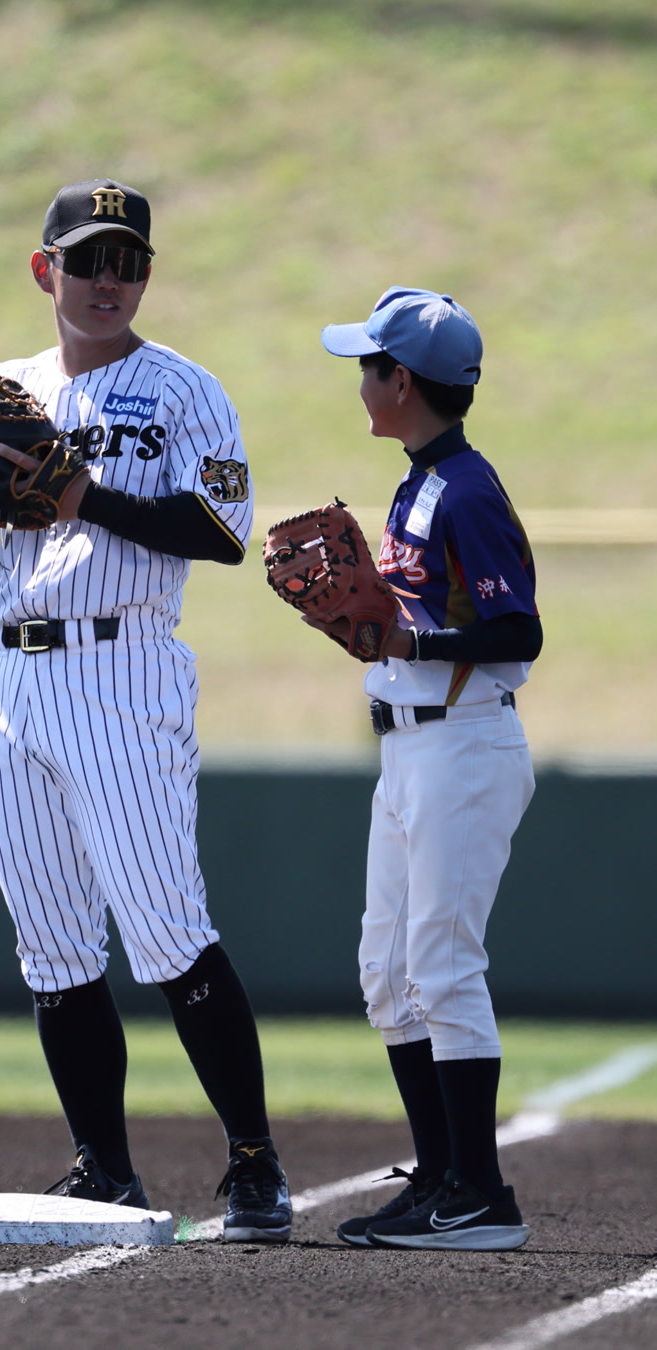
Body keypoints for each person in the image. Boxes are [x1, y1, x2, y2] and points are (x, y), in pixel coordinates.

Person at [0, 178, 291, 1243]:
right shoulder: (2, 391)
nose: (109, 280)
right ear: (44, 269)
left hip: (124, 668)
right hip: (16, 681)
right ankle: (104, 1168)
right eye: (88, 259)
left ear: (147, 275)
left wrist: (82, 498)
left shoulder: (184, 389)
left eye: (128, 262)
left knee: (168, 929)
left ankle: (254, 1162)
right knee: (53, 945)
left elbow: (221, 529)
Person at [317, 287, 541, 1251]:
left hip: (463, 743)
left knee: (443, 969)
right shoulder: (420, 481)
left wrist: (409, 641)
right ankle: (442, 1178)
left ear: (401, 381)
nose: (360, 380)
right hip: (411, 747)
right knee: (388, 973)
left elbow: (519, 630)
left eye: (369, 365)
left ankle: (481, 1196)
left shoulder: (466, 488)